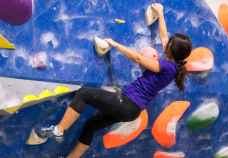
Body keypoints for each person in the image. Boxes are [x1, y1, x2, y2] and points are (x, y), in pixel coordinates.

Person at [36, 3, 192, 158]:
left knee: (84, 94)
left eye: (170, 43)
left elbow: (138, 58)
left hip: (127, 102)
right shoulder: (174, 66)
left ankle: (59, 130)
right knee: (91, 125)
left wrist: (114, 44)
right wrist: (161, 14)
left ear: (171, 49)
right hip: (131, 110)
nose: (166, 43)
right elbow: (164, 37)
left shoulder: (166, 66)